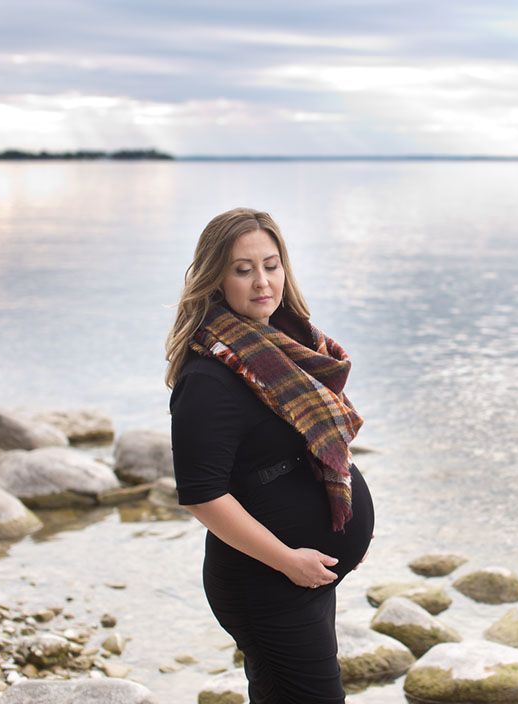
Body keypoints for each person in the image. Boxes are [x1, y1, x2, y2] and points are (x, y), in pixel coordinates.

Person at [165, 208, 374, 703]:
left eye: (271, 265)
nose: (262, 281)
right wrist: (288, 561)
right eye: (243, 269)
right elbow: (203, 497)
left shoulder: (285, 350)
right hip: (267, 584)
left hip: (300, 579)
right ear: (215, 278)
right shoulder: (208, 378)